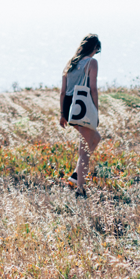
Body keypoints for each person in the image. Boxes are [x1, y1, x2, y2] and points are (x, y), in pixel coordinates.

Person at [59, 34, 101, 197]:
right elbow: (93, 89)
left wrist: (62, 113)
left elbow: (63, 91)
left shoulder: (70, 63)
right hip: (82, 104)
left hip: (70, 107)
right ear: (95, 48)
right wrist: (95, 111)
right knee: (84, 149)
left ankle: (77, 175)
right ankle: (80, 189)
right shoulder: (92, 62)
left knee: (95, 139)